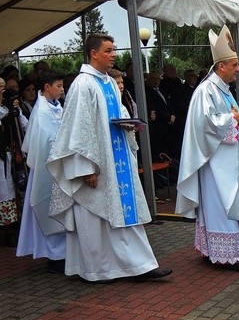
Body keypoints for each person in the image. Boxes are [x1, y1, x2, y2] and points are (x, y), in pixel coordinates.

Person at [46, 33, 172, 282]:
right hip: (97, 165)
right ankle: (97, 270)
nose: (114, 54)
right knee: (96, 219)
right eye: (108, 50)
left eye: (114, 49)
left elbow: (117, 114)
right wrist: (86, 169)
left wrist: (129, 125)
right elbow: (78, 130)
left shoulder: (110, 82)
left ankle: (138, 266)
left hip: (117, 161)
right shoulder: (84, 84)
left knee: (124, 215)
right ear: (94, 53)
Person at [175, 25, 239, 272]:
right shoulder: (206, 90)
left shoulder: (222, 90)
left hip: (227, 161)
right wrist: (233, 121)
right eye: (234, 65)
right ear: (221, 66)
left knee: (227, 204)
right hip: (215, 163)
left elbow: (227, 117)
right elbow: (205, 124)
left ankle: (216, 250)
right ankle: (228, 257)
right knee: (221, 204)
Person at [16, 70, 67, 273]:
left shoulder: (56, 107)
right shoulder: (42, 111)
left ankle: (63, 253)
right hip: (47, 169)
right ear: (47, 87)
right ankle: (54, 256)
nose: (63, 90)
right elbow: (44, 140)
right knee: (48, 209)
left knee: (60, 210)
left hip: (60, 167)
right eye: (59, 86)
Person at [0, 77, 28, 247]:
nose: (3, 92)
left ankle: (11, 227)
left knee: (10, 190)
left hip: (9, 155)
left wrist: (15, 110)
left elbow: (26, 125)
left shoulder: (8, 107)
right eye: (1, 89)